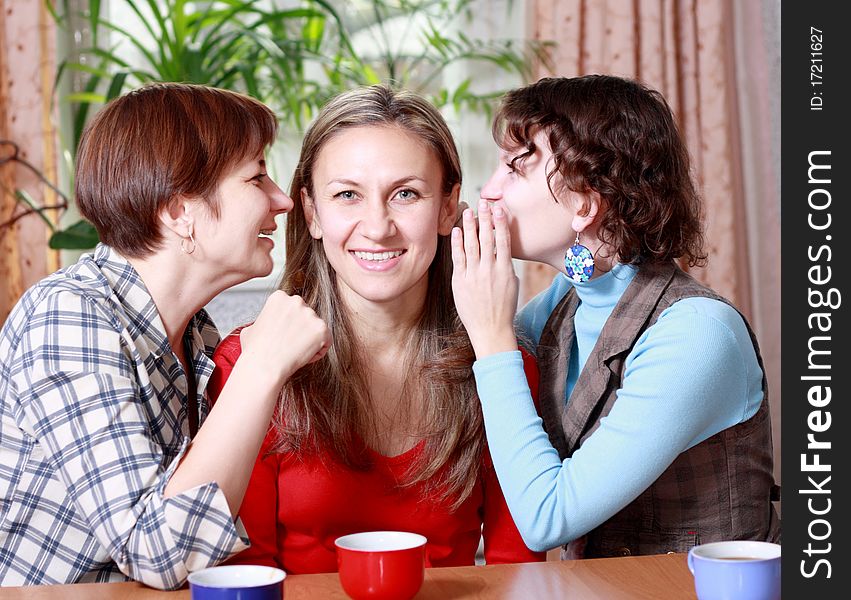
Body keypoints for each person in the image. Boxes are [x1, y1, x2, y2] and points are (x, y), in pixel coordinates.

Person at [0, 83, 330, 588]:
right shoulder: (69, 317)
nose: (282, 200)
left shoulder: (195, 332)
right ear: (180, 212)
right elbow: (156, 552)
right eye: (257, 177)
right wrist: (261, 367)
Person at [208, 84, 544, 573]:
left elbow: (519, 567)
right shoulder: (249, 361)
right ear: (312, 212)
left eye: (405, 194)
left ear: (448, 207)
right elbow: (246, 572)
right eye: (347, 195)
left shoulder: (501, 366)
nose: (377, 226)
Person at [450, 74, 781, 558]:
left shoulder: (697, 336)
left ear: (585, 203)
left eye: (514, 169)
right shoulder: (566, 300)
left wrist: (492, 334)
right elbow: (467, 378)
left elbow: (547, 519)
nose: (490, 191)